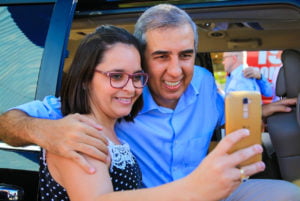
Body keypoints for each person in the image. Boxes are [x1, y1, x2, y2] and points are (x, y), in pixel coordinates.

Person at [1, 4, 300, 201]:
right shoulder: (88, 116)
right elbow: (7, 123)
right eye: (161, 57)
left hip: (209, 192)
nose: (176, 70)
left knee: (286, 194)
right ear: (142, 55)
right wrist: (45, 131)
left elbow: (219, 113)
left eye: (185, 55)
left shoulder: (203, 82)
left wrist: (263, 109)